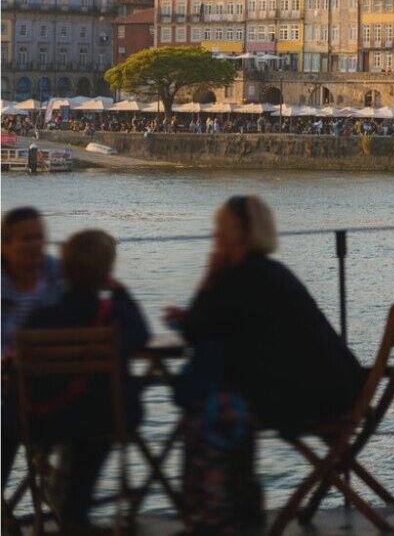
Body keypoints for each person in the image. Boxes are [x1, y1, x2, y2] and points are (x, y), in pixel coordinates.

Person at [168, 196, 363, 535]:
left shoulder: (239, 278)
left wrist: (208, 276)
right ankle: (241, 509)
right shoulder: (271, 273)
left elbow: (197, 331)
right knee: (230, 405)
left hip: (314, 399)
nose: (214, 239)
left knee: (208, 414)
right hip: (342, 388)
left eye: (219, 232)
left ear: (236, 236)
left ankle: (213, 517)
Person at [21, 230, 150, 530]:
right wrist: (120, 292)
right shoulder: (115, 315)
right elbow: (140, 335)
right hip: (107, 418)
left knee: (78, 423)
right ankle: (75, 511)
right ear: (107, 271)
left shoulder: (41, 318)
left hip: (46, 422)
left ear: (64, 269)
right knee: (94, 425)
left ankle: (63, 505)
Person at [4, 207, 64, 487]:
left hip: (52, 386)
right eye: (26, 239)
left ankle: (69, 506)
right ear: (5, 246)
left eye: (39, 237)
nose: (36, 245)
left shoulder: (56, 274)